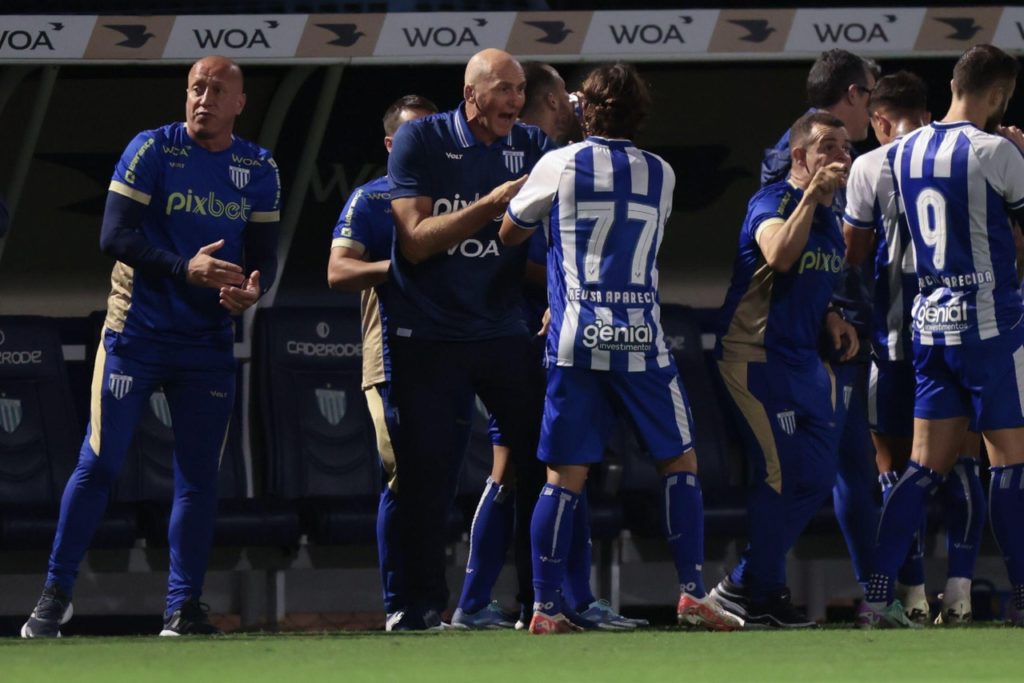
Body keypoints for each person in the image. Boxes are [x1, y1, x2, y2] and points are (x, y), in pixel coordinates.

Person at [21, 56, 280, 638]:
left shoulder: (258, 167)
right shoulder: (153, 150)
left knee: (198, 478)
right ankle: (56, 594)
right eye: (196, 88)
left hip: (208, 340)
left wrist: (252, 290)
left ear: (240, 102)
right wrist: (182, 268)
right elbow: (113, 235)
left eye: (217, 90)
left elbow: (265, 253)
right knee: (102, 462)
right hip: (135, 333)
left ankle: (182, 608)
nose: (203, 99)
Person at [500, 62, 741, 635]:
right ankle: (689, 593)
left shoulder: (557, 163)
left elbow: (510, 233)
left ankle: (545, 606)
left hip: (577, 335)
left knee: (564, 476)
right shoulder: (662, 173)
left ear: (586, 109)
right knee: (679, 461)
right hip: (640, 337)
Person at [452, 61, 642, 631]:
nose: (575, 105)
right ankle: (536, 600)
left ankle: (527, 600)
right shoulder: (548, 163)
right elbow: (514, 250)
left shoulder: (552, 157)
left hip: (549, 327)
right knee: (547, 463)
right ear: (552, 102)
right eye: (566, 97)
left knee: (548, 465)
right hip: (536, 332)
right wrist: (571, 292)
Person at [384, 48, 554, 630]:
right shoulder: (422, 142)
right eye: (504, 89)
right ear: (472, 93)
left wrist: (560, 296)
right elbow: (414, 240)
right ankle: (419, 606)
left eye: (521, 90)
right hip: (427, 331)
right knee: (428, 473)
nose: (515, 100)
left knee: (541, 458)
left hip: (502, 328)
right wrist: (489, 205)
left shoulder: (532, 145)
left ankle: (541, 601)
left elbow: (564, 231)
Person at [859, 44, 1024, 629]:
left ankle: (878, 593)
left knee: (923, 466)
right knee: (1007, 462)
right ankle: (1023, 594)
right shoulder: (997, 152)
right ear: (999, 95)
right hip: (989, 327)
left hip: (930, 325)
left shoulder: (900, 154)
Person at [723, 48, 881, 607]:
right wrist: (812, 196)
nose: (842, 156)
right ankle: (747, 587)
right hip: (753, 356)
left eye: (845, 147)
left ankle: (752, 586)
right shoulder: (773, 198)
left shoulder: (834, 215)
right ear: (799, 156)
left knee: (816, 479)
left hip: (802, 359)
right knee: (782, 475)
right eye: (828, 148)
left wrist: (833, 314)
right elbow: (779, 256)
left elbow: (813, 281)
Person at [843, 71, 985, 625]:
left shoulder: (871, 165)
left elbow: (854, 257)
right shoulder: (969, 154)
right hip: (964, 331)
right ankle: (963, 589)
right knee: (965, 464)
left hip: (894, 343)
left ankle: (912, 595)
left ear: (879, 121)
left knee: (898, 469)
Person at [327, 94, 439, 631]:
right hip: (390, 356)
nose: (426, 144)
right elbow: (338, 271)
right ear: (393, 145)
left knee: (437, 481)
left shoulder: (458, 196)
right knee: (404, 478)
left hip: (451, 355)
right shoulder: (371, 198)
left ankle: (434, 605)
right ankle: (401, 604)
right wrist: (403, 262)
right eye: (415, 135)